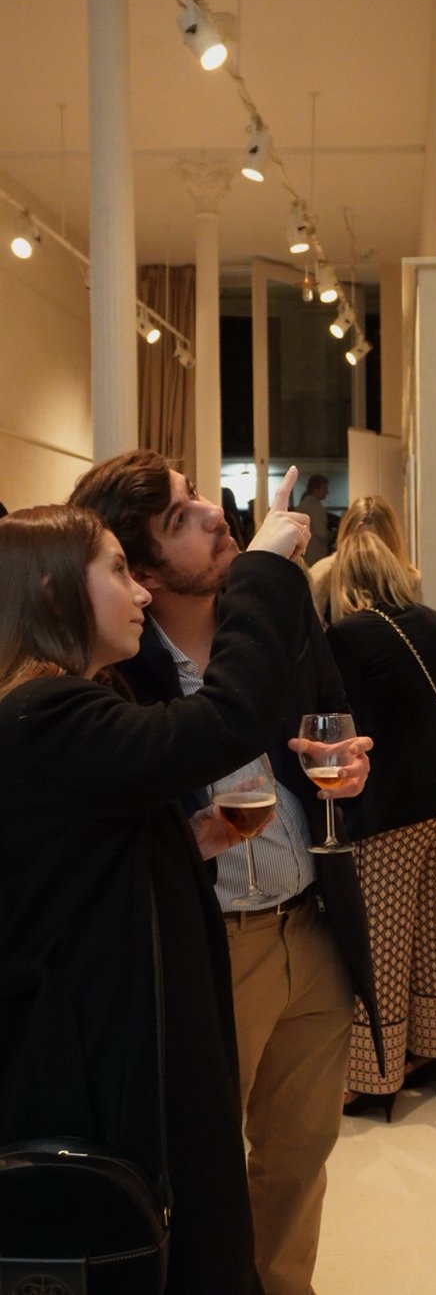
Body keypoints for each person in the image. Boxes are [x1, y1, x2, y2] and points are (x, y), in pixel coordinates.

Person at [68, 449, 383, 1295]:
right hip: (210, 946)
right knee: (195, 1173)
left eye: (198, 495)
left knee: (299, 1158)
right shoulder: (116, 672)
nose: (215, 513)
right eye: (181, 517)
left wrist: (345, 768)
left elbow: (327, 727)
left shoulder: (281, 624)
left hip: (308, 926)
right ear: (137, 570)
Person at [0, 477, 312, 1294]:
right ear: (51, 590)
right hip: (101, 1067)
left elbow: (79, 856)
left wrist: (186, 839)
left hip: (122, 1044)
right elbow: (227, 720)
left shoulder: (65, 706)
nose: (139, 591)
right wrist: (265, 571)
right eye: (116, 571)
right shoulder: (44, 714)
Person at [326, 527, 436, 1118]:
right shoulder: (435, 623)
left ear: (346, 582)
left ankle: (375, 1077)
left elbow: (345, 725)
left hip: (392, 811)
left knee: (384, 946)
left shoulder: (346, 637)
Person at [309, 493, 421, 624]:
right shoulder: (323, 576)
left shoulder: (411, 580)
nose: (365, 551)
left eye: (375, 544)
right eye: (358, 542)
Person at [296, 473, 334, 566]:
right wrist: (334, 534)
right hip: (316, 556)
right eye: (324, 488)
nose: (327, 492)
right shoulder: (315, 507)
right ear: (316, 489)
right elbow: (322, 533)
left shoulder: (301, 506)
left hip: (303, 555)